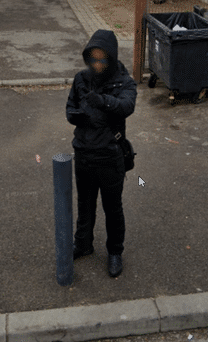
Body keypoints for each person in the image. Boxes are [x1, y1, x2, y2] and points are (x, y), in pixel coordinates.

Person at [65, 29, 137, 278]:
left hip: (109, 157)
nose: (97, 64)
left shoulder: (124, 82)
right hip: (83, 154)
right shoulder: (80, 79)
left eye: (102, 59)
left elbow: (127, 106)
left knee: (112, 207)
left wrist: (103, 101)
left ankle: (115, 252)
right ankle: (83, 244)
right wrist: (76, 115)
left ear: (112, 58)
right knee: (84, 204)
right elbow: (69, 108)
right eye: (92, 58)